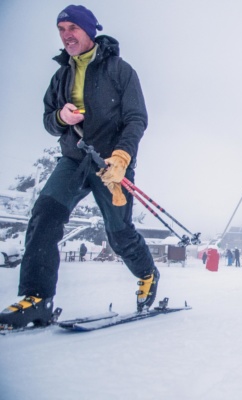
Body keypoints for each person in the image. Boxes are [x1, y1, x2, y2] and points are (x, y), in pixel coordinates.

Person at [0, 5, 159, 329]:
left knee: (119, 234)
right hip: (74, 159)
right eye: (61, 29)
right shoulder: (61, 76)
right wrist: (61, 117)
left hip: (111, 164)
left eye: (72, 28)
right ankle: (37, 298)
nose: (66, 35)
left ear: (89, 30)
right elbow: (49, 120)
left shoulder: (119, 70)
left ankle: (147, 273)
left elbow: (136, 118)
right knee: (45, 215)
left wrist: (122, 157)